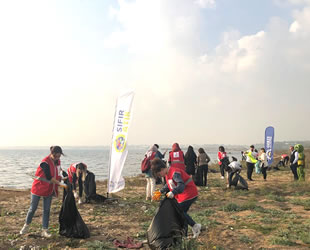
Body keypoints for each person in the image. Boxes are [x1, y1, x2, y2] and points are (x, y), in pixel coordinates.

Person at [20, 146, 67, 237]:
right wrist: (61, 184)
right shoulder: (45, 162)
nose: (58, 158)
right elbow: (49, 177)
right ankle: (26, 226)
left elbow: (57, 172)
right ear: (52, 154)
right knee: (32, 209)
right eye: (56, 156)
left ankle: (45, 230)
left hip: (49, 189)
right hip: (38, 188)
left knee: (47, 210)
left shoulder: (57, 161)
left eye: (59, 156)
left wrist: (63, 176)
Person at [151, 158, 201, 238]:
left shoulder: (175, 173)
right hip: (183, 195)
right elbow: (168, 184)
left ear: (162, 169)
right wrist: (161, 191)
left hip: (189, 193)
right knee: (182, 215)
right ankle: (184, 234)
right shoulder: (167, 174)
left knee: (179, 211)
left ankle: (195, 226)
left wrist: (173, 192)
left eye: (159, 175)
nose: (160, 176)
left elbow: (181, 185)